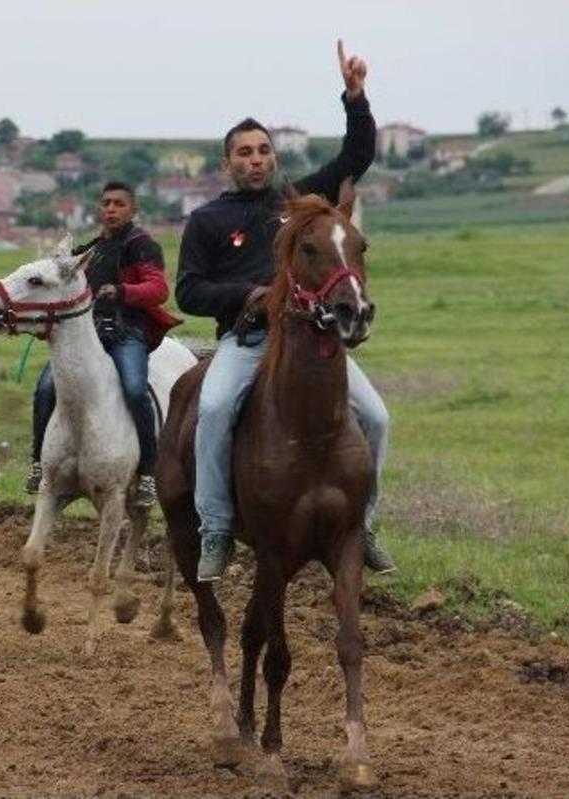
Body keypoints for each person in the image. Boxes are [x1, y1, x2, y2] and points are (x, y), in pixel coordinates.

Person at [176, 41, 394, 581]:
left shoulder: (298, 201)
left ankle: (363, 524)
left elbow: (356, 157)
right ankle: (217, 528)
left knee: (377, 416)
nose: (256, 160)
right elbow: (188, 292)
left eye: (263, 151)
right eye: (244, 153)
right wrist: (245, 294)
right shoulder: (206, 221)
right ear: (227, 163)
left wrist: (355, 97)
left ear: (273, 157)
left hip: (309, 344)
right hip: (247, 343)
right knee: (215, 409)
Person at [27, 181, 180, 506]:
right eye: (106, 203)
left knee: (136, 388)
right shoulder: (90, 251)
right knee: (45, 389)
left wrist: (123, 292)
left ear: (133, 210)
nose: (111, 209)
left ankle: (149, 473)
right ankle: (40, 465)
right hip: (89, 336)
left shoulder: (143, 246)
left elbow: (158, 290)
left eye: (119, 204)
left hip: (128, 332)